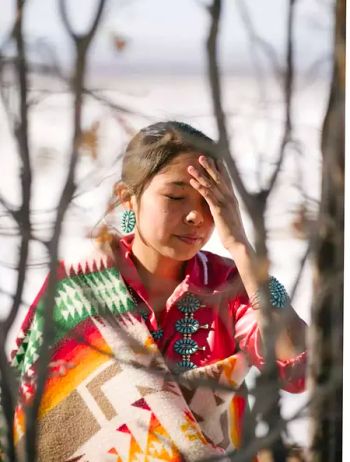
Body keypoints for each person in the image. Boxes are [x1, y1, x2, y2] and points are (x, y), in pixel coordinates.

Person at [11, 121, 307, 459]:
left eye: (211, 201)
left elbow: (299, 373)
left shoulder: (230, 287)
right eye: (176, 196)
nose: (197, 215)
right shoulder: (78, 287)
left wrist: (241, 248)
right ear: (127, 198)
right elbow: (32, 413)